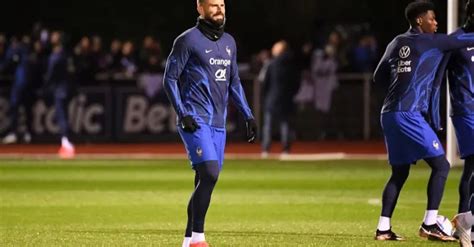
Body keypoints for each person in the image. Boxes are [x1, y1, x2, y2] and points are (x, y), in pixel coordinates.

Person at [373, 1, 474, 242]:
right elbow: (464, 41)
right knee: (442, 165)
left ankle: (383, 229)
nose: (436, 22)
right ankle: (430, 224)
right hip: (408, 113)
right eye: (432, 18)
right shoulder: (432, 41)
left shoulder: (396, 42)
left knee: (399, 173)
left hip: (389, 112)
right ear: (420, 20)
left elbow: (378, 77)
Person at [162, 0, 257, 246]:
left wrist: (248, 114)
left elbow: (234, 81)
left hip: (219, 123)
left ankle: (186, 241)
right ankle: (198, 239)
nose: (219, 9)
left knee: (204, 179)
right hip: (195, 119)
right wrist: (182, 113)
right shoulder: (187, 40)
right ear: (200, 8)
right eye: (213, 5)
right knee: (210, 173)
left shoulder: (229, 43)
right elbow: (169, 78)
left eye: (222, 5)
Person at [443, 1, 474, 246]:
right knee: (472, 164)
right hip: (466, 110)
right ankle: (466, 222)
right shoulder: (454, 40)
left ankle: (466, 221)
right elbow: (436, 76)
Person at [261, 40, 299, 157]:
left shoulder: (271, 64)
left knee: (268, 125)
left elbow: (265, 83)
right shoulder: (293, 64)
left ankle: (266, 150)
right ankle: (286, 150)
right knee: (285, 125)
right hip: (287, 99)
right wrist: (291, 94)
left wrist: (265, 96)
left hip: (272, 99)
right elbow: (297, 83)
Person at [43, 31, 76, 159]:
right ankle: (67, 139)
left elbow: (50, 75)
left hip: (60, 89)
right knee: (64, 114)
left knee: (61, 115)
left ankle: (66, 142)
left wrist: (45, 87)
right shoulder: (67, 55)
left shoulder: (56, 56)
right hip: (67, 88)